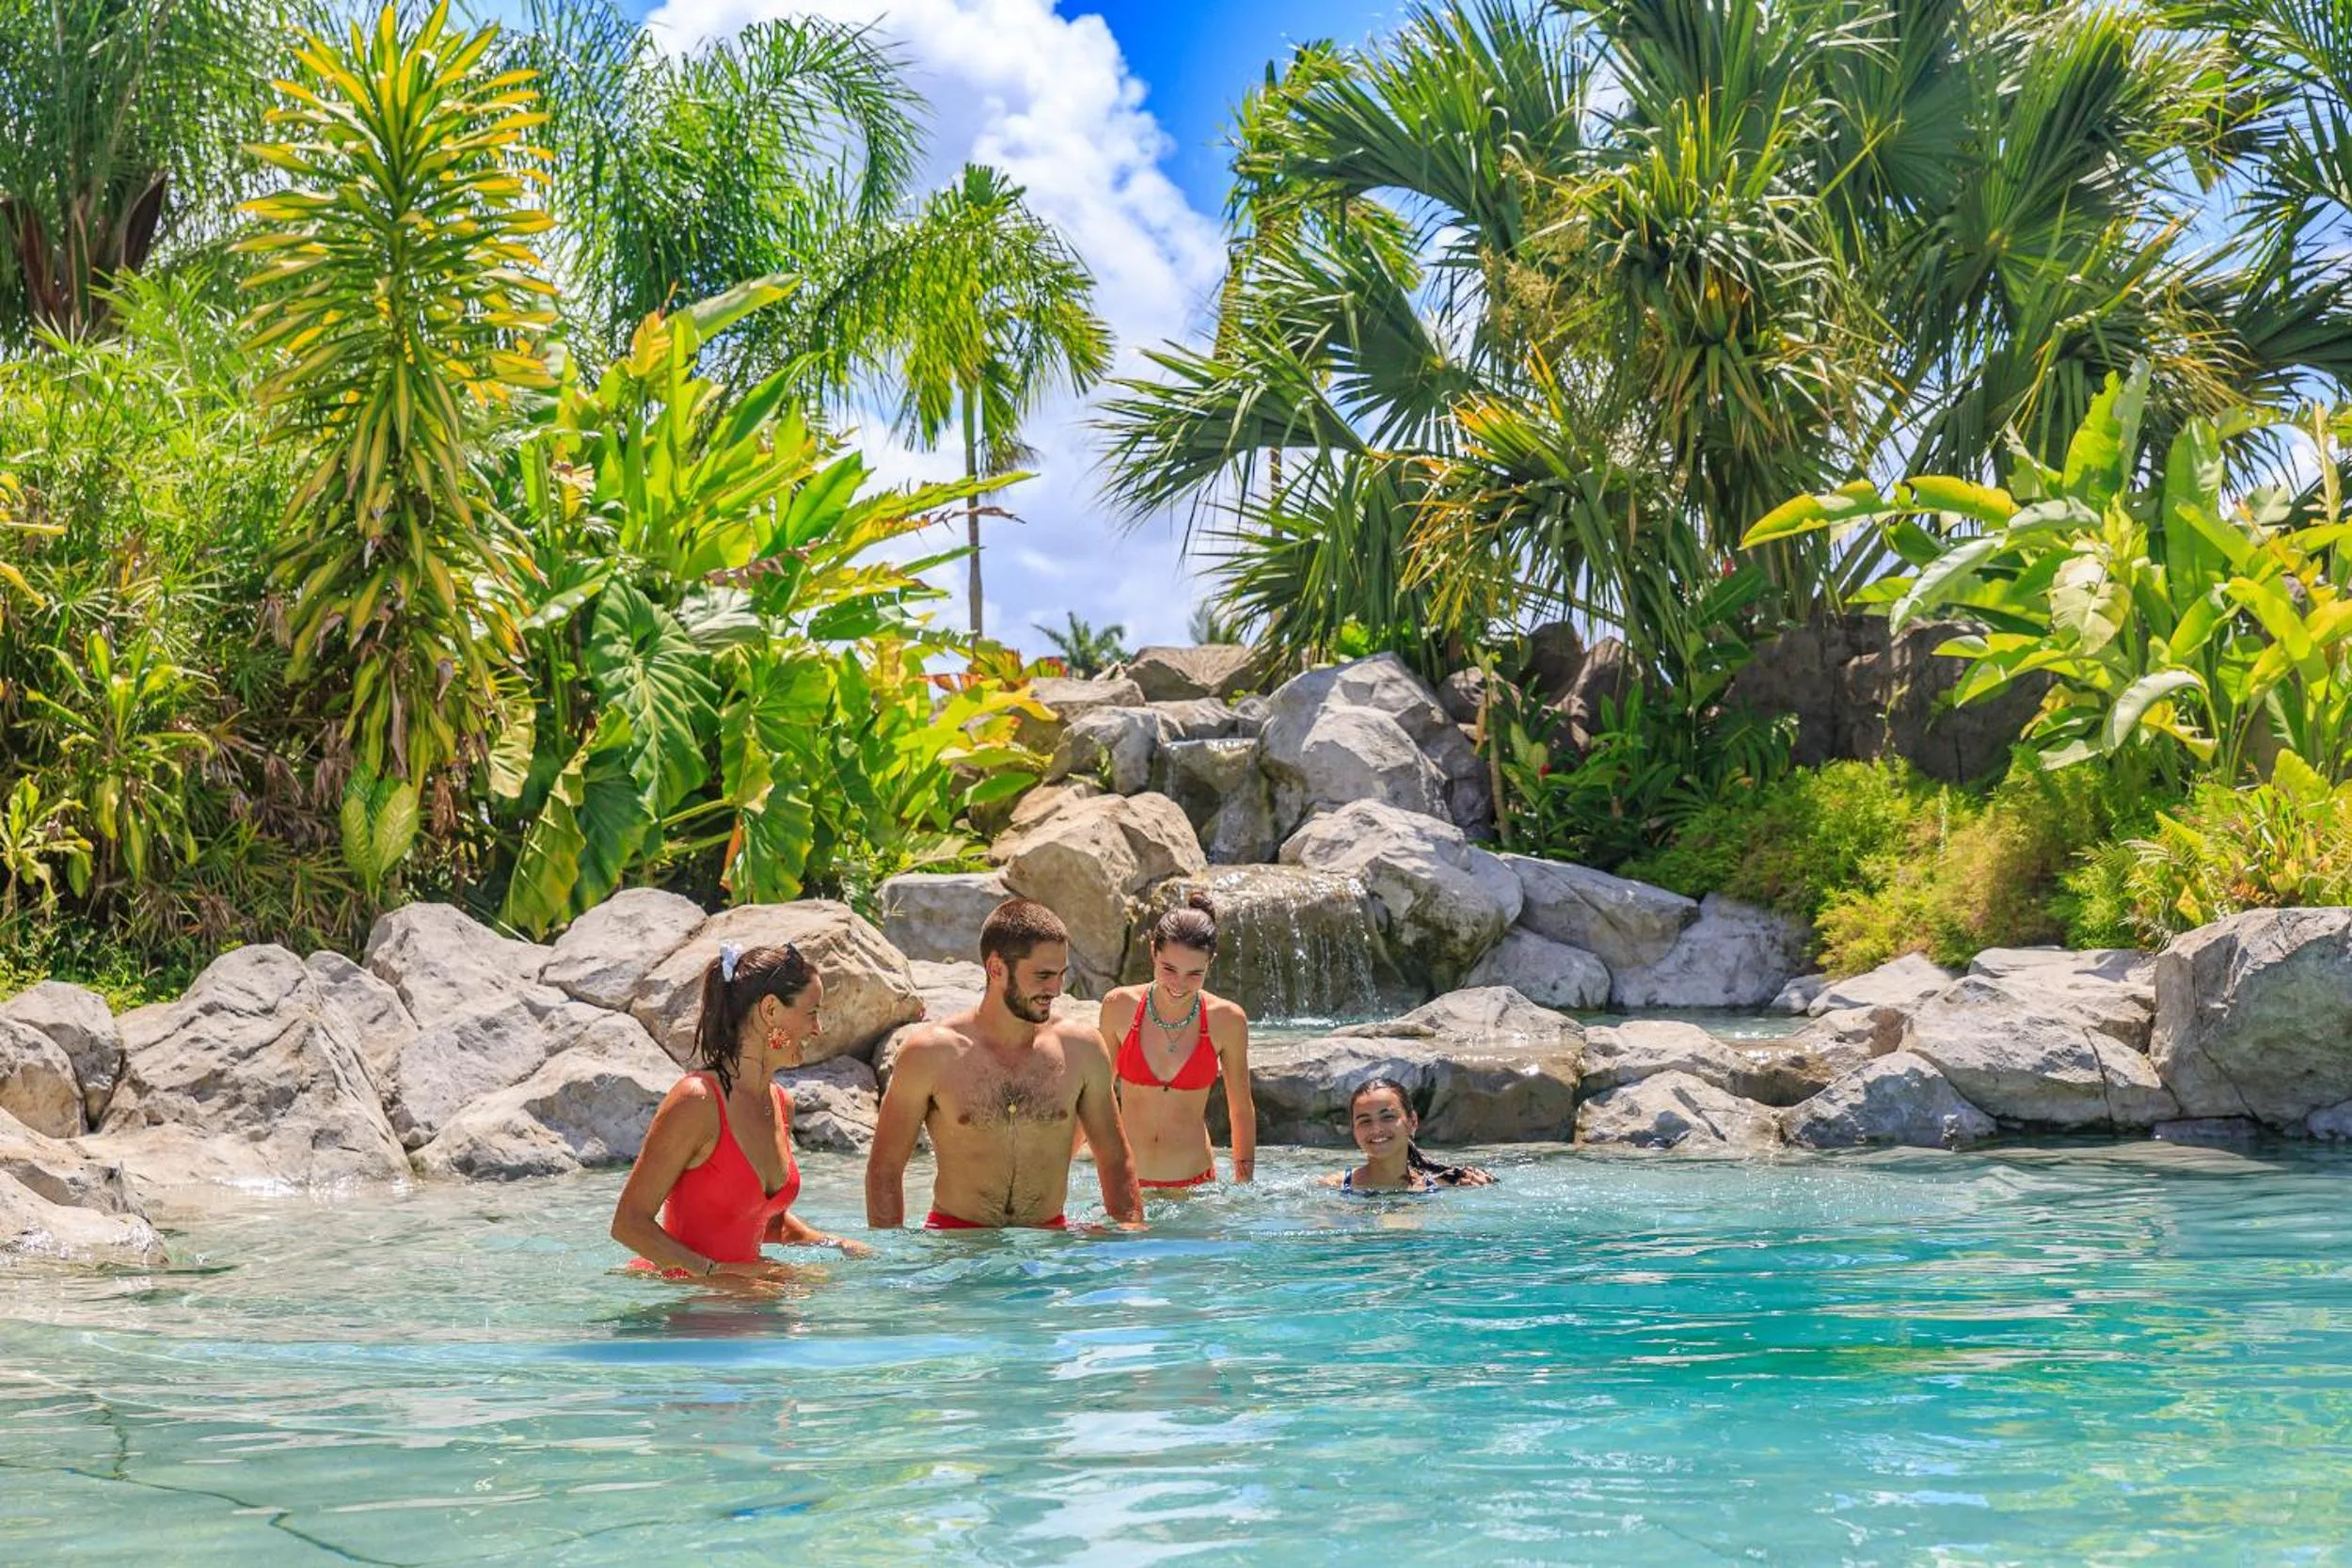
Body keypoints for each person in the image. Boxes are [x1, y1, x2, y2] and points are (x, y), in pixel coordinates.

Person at [866, 898, 1143, 1230]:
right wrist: (891, 1256)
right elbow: (885, 1169)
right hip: (957, 1243)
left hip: (1049, 1243)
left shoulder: (1082, 1049)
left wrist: (1130, 1236)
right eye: (1043, 975)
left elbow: (1115, 1160)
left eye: (1061, 975)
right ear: (996, 969)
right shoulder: (930, 1053)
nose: (1055, 989)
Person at [612, 942, 867, 1282]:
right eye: (811, 1013)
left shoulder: (781, 1104)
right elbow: (629, 1224)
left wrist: (833, 1243)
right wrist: (717, 1276)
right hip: (686, 1299)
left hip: (746, 1295)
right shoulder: (697, 1101)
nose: (817, 1029)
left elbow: (763, 1221)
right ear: (771, 1010)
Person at [1089, 892, 1255, 1192]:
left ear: (1211, 962)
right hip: (1126, 1181)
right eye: (1169, 969)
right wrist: (1060, 1169)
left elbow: (1241, 1110)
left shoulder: (1227, 1020)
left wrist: (1245, 1186)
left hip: (1195, 1188)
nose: (1179, 984)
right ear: (1153, 951)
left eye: (1194, 974)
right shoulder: (1119, 1006)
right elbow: (1095, 1097)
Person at [1321, 1076, 1495, 1194]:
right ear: (1354, 1129)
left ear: (1412, 1121)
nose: (1376, 1129)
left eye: (1388, 1117)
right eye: (1365, 1121)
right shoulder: (1333, 1187)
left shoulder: (1448, 1187)